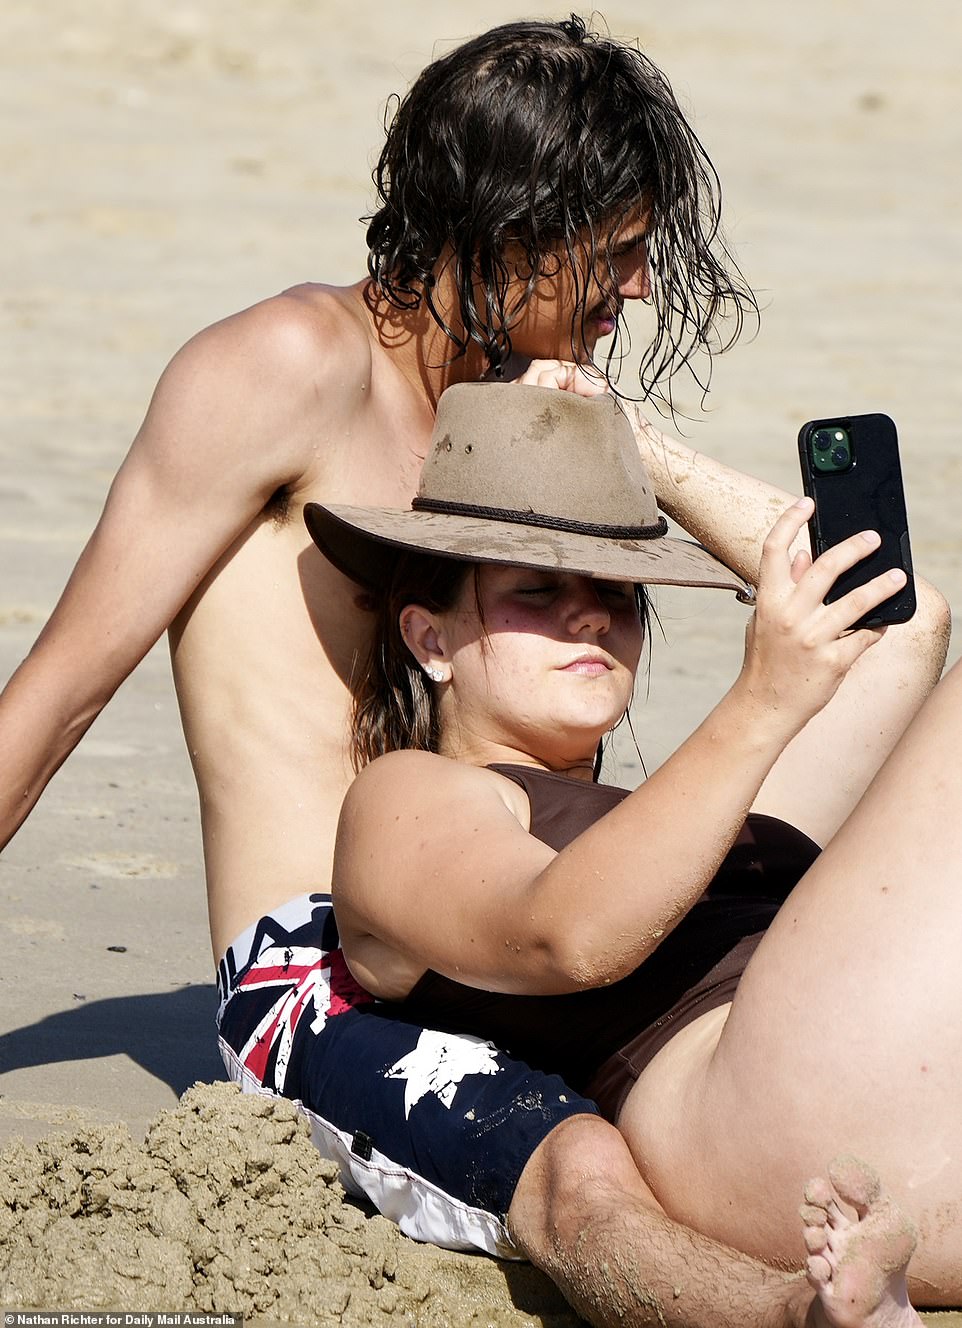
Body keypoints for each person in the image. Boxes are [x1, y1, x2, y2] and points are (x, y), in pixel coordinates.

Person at [0, 14, 946, 1328]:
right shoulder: (290, 368)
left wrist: (635, 445)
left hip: (535, 910)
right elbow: (57, 700)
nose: (639, 292)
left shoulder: (524, 421)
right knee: (576, 1170)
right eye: (613, 258)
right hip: (331, 956)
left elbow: (879, 623)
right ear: (509, 238)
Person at [309, 380, 957, 1319]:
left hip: (890, 1107)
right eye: (537, 590)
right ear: (430, 636)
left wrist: (638, 453)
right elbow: (566, 937)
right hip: (743, 1107)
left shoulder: (704, 804)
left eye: (616, 594)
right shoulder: (410, 793)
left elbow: (903, 625)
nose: (588, 616)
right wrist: (764, 699)